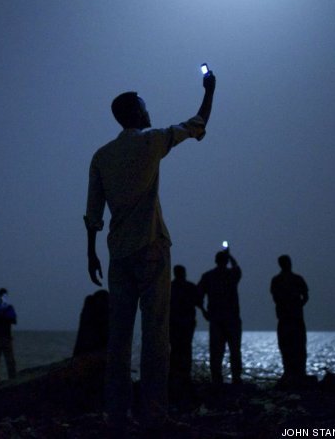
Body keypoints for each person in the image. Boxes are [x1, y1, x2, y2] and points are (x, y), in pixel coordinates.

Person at [84, 71, 216, 431]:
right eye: (145, 108)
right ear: (137, 115)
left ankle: (117, 413)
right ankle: (155, 412)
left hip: (118, 254)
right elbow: (197, 123)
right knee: (156, 333)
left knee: (119, 338)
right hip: (152, 246)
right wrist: (210, 90)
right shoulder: (151, 141)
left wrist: (91, 254)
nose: (148, 112)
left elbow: (93, 215)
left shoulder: (101, 156)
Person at [198, 248, 243, 385]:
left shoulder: (208, 276)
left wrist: (204, 311)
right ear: (225, 261)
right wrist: (230, 256)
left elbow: (198, 295)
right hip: (231, 319)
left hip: (217, 319)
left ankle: (217, 380)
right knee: (234, 351)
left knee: (216, 351)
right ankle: (236, 379)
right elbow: (237, 268)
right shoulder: (231, 275)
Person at [270, 254, 309, 385]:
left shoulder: (277, 280)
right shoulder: (296, 279)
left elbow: (275, 297)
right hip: (293, 318)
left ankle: (292, 373)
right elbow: (306, 296)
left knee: (288, 347)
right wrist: (297, 305)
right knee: (296, 347)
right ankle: (296, 373)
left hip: (287, 318)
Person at [169, 264, 201, 397]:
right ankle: (184, 376)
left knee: (175, 350)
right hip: (185, 323)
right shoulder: (190, 287)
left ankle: (175, 375)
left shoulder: (169, 287)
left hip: (175, 324)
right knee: (185, 349)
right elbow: (199, 301)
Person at [0, 288, 18, 384]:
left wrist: (5, 315)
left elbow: (14, 320)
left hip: (5, 337)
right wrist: (6, 315)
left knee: (9, 361)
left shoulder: (8, 308)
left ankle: (12, 380)